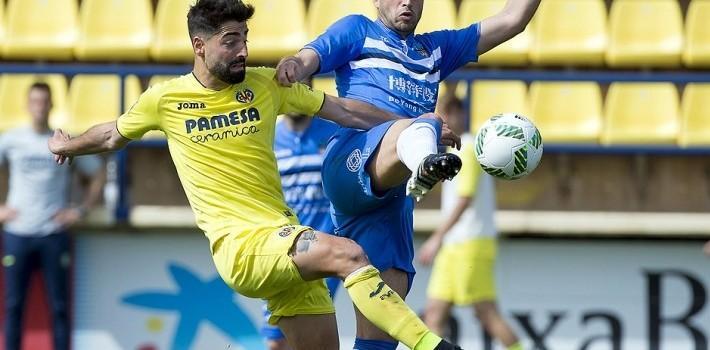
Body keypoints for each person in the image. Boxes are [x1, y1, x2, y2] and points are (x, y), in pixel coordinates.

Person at [48, 1, 460, 349]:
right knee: (349, 255)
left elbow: (347, 111)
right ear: (199, 45)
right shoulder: (165, 99)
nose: (242, 49)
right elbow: (110, 135)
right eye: (230, 41)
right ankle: (431, 344)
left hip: (283, 235)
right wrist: (67, 145)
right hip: (242, 247)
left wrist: (416, 126)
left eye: (244, 38)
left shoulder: (265, 85)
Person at [276, 0, 540, 348]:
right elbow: (312, 55)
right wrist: (295, 64)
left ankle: (421, 159)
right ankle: (424, 162)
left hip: (392, 201)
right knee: (425, 123)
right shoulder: (358, 30)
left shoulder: (435, 50)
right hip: (352, 163)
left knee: (381, 336)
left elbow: (513, 19)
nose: (407, 2)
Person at [0, 82, 105, 350]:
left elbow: (98, 174)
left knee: (59, 306)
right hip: (17, 233)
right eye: (34, 101)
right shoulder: (11, 140)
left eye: (44, 101)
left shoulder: (62, 142)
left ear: (51, 105)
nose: (39, 107)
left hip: (53, 234)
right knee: (13, 305)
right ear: (26, 105)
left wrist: (80, 210)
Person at [418, 95, 523, 350]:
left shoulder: (467, 147)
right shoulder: (456, 150)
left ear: (454, 115)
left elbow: (464, 199)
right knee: (433, 312)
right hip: (456, 245)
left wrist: (435, 239)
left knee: (486, 313)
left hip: (470, 243)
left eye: (442, 115)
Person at [262, 111, 340, 350]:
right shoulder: (267, 134)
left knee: (310, 333)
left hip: (324, 246)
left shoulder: (332, 131)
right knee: (276, 340)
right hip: (284, 248)